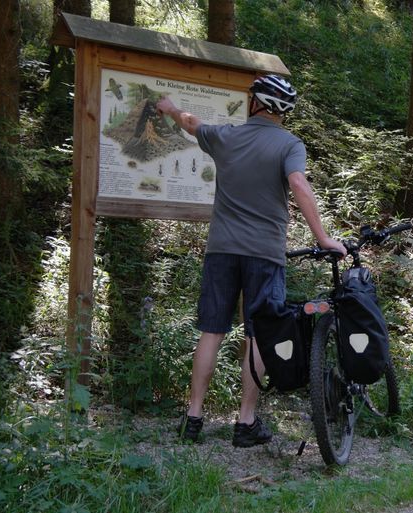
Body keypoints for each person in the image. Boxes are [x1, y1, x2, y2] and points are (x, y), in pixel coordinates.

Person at [156, 75, 346, 447]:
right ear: (282, 111)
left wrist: (170, 108)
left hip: (222, 250)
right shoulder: (290, 144)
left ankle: (193, 417)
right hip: (264, 253)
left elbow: (191, 122)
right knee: (258, 334)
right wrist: (323, 238)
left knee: (212, 330)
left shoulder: (225, 136)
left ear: (255, 103)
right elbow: (298, 184)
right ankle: (245, 423)